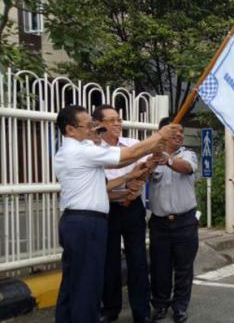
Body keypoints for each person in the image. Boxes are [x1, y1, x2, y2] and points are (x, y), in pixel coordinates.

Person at [53, 105, 179, 323]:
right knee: (88, 286)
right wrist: (159, 135)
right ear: (70, 130)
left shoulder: (72, 152)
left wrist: (131, 175)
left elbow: (117, 170)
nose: (93, 129)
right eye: (89, 125)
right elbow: (127, 155)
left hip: (79, 221)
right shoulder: (82, 150)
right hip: (86, 224)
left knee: (73, 283)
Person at [92, 105, 153, 323]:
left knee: (137, 260)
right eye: (111, 120)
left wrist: (141, 178)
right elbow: (102, 185)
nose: (118, 123)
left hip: (132, 208)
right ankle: (111, 308)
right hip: (108, 208)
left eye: (119, 119)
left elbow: (143, 169)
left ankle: (141, 310)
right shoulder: (95, 150)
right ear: (99, 125)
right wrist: (127, 183)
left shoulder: (132, 145)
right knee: (109, 260)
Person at [148, 117, 199, 323]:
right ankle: (160, 305)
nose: (179, 135)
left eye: (181, 133)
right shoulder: (150, 156)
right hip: (159, 223)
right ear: (163, 133)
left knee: (184, 268)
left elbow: (187, 168)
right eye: (174, 132)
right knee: (159, 268)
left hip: (184, 222)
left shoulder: (188, 154)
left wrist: (167, 161)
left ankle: (180, 307)